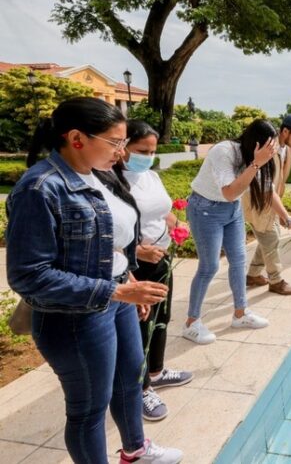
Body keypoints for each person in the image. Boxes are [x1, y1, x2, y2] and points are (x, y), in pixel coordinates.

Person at [5, 98, 182, 463]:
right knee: (89, 409)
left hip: (116, 298)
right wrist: (117, 290)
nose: (121, 152)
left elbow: (109, 242)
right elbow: (29, 275)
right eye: (115, 142)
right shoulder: (40, 188)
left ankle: (136, 450)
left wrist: (128, 279)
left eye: (123, 143)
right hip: (74, 317)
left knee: (129, 381)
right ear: (77, 138)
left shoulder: (99, 174)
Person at [118, 120, 193, 422]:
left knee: (161, 317)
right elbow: (110, 233)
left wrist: (178, 225)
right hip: (135, 265)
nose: (148, 157)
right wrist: (138, 250)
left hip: (160, 258)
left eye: (152, 151)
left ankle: (156, 371)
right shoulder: (113, 180)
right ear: (123, 147)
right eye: (141, 151)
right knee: (139, 326)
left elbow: (163, 211)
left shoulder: (150, 175)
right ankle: (140, 388)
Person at [183, 120, 278, 344]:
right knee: (209, 266)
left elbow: (264, 189)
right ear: (255, 143)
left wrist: (287, 218)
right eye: (268, 147)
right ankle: (191, 323)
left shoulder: (255, 158)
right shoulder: (224, 151)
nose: (271, 153)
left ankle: (240, 314)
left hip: (232, 210)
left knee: (239, 260)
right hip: (205, 209)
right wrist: (256, 163)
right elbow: (229, 192)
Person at [242, 117, 291, 294]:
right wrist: (288, 219)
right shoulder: (269, 149)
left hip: (271, 199)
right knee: (270, 239)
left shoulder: (286, 149)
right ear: (285, 132)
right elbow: (265, 186)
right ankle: (276, 280)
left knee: (271, 237)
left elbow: (276, 182)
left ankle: (253, 274)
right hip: (259, 200)